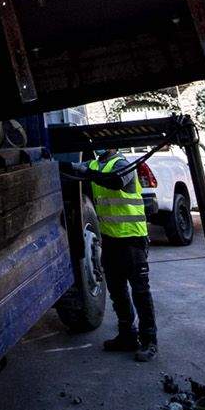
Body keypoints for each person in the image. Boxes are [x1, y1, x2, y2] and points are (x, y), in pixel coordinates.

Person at [66, 150, 157, 362]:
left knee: (140, 292)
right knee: (117, 291)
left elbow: (116, 181)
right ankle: (127, 336)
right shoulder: (96, 165)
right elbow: (76, 170)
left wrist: (84, 170)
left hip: (132, 239)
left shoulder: (122, 164)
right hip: (111, 240)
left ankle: (150, 341)